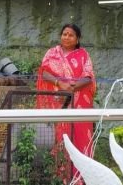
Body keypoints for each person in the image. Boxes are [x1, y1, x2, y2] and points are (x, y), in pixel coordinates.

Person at [36, 23, 96, 184]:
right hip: (60, 104)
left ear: (77, 39)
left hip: (80, 105)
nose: (66, 37)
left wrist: (73, 86)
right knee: (62, 138)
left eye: (71, 35)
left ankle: (82, 179)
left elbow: (88, 76)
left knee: (81, 139)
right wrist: (60, 84)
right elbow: (44, 72)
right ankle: (62, 178)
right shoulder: (52, 53)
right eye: (64, 34)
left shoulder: (83, 55)